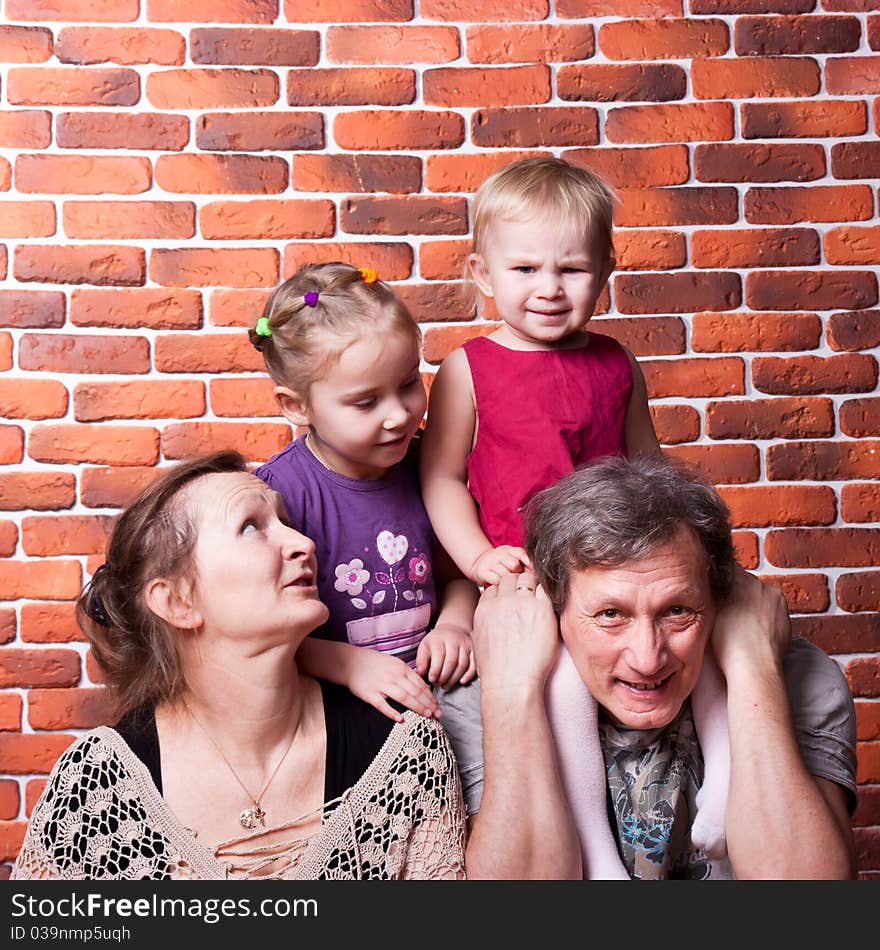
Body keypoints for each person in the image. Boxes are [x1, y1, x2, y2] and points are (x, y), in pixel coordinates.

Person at [421, 156, 728, 876]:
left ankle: (722, 796)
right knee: (558, 685)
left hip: (613, 575)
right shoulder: (469, 368)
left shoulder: (618, 365)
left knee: (715, 650)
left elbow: (650, 473)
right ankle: (597, 852)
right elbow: (439, 479)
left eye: (572, 270)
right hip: (524, 575)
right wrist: (475, 562)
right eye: (524, 269)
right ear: (482, 273)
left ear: (607, 269)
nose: (549, 290)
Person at [12, 453, 467, 881]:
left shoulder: (406, 755)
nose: (304, 543)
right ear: (177, 601)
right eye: (251, 527)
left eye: (285, 522)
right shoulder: (95, 788)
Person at [456, 455, 858, 880]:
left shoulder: (797, 676)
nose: (648, 658)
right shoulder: (484, 688)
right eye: (611, 614)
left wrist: (753, 666)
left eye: (678, 611)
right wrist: (512, 693)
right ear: (553, 610)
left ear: (719, 603)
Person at [251, 263, 478, 724]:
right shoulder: (280, 494)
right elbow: (258, 629)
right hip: (328, 709)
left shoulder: (430, 469)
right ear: (297, 405)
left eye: (409, 384)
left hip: (433, 698)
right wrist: (348, 663)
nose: (399, 414)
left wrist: (455, 623)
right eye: (366, 401)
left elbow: (457, 574)